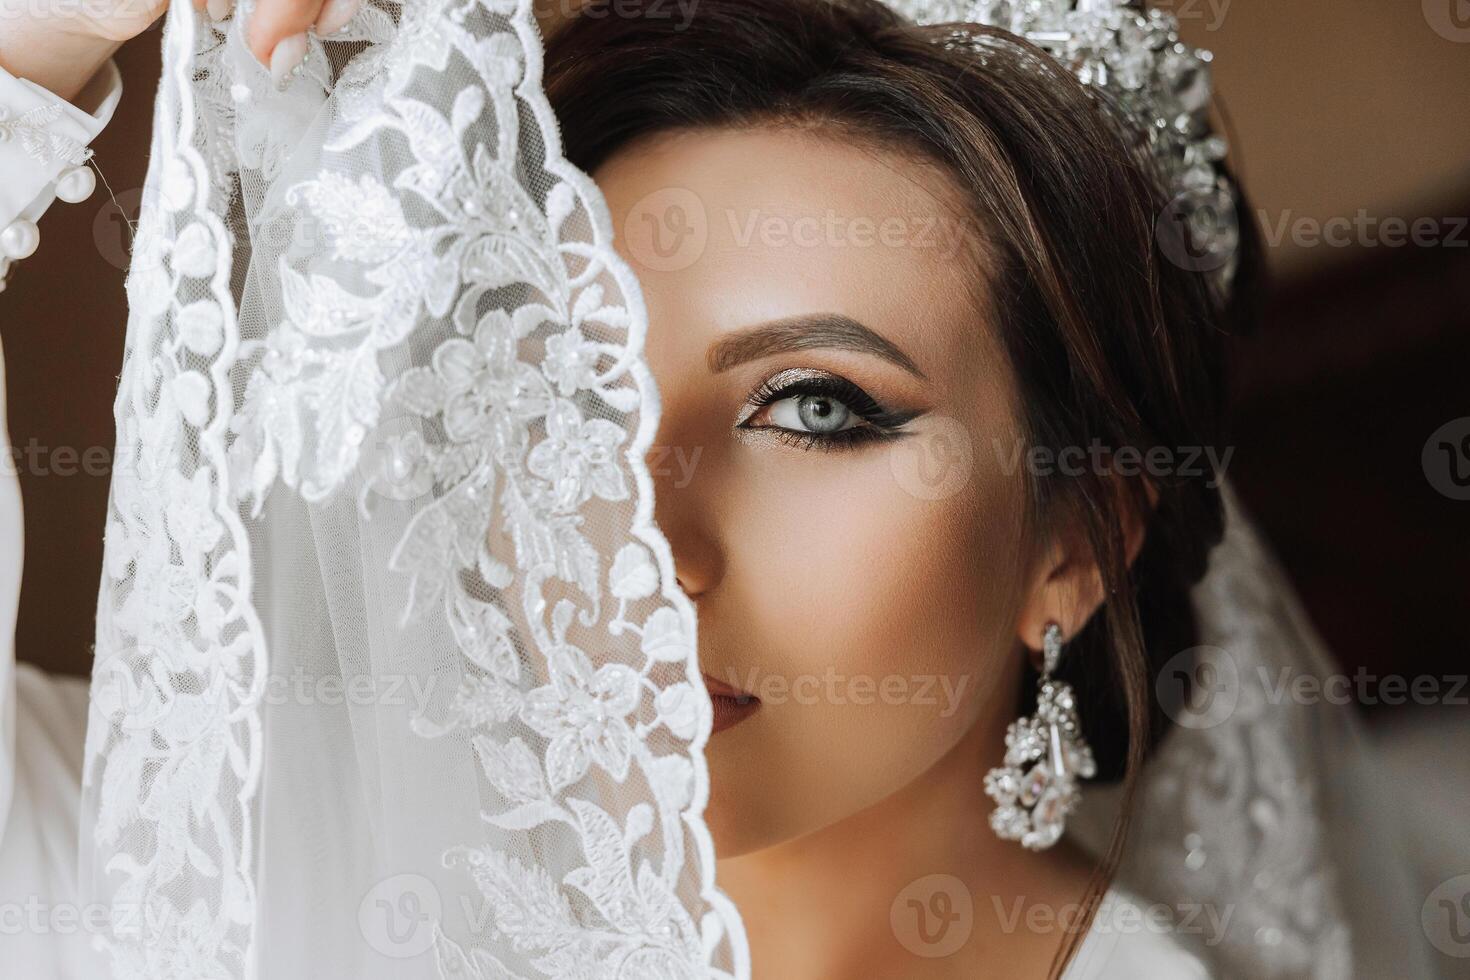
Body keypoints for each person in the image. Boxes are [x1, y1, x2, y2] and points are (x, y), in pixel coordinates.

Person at [0, 1, 1439, 978]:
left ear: (1075, 537)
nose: (645, 543)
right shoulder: (225, 860)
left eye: (815, 409)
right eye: (571, 397)